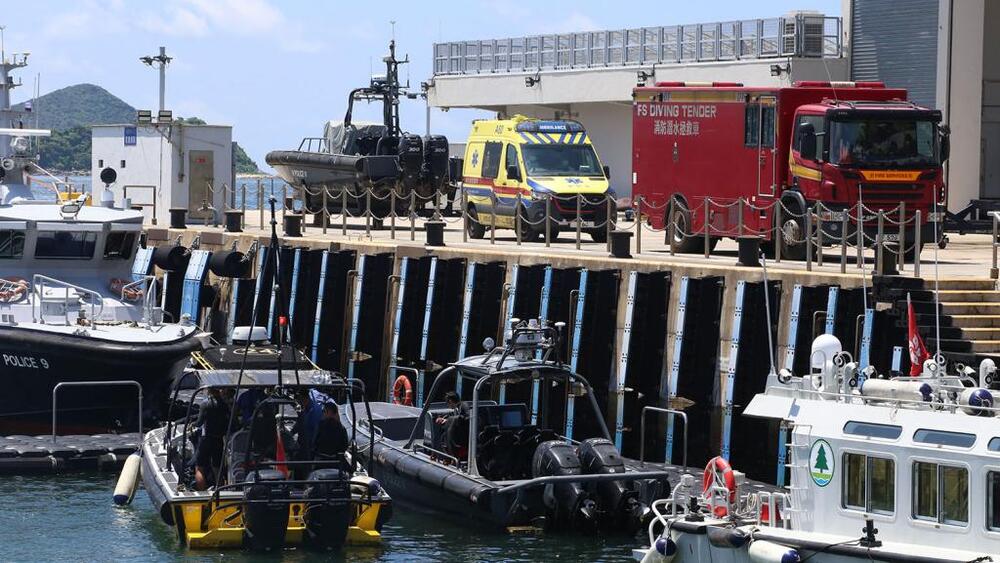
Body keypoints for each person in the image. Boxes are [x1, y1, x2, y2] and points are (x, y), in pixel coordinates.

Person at [193, 387, 232, 490]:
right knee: (217, 467)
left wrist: (192, 424)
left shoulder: (205, 403)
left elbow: (199, 422)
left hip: (206, 438)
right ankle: (220, 489)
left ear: (209, 391)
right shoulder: (224, 405)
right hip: (218, 439)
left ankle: (201, 491)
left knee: (199, 467)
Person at [314, 402, 350, 466]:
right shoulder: (341, 427)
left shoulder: (322, 425)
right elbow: (344, 445)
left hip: (322, 459)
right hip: (336, 460)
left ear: (329, 412)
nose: (323, 413)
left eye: (324, 411)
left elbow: (315, 441)